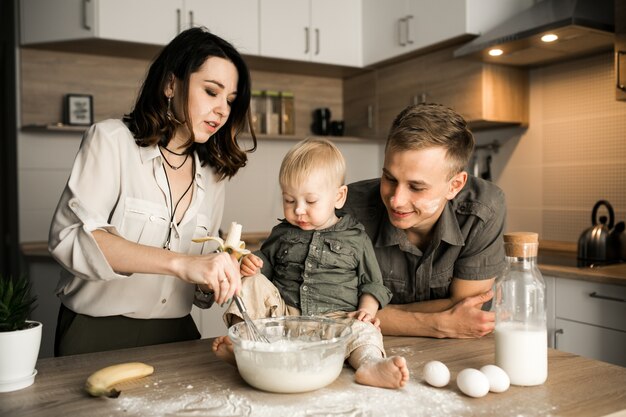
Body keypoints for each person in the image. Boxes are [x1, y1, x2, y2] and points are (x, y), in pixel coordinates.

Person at [48, 27, 255, 356]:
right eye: (211, 92)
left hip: (178, 333)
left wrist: (218, 271)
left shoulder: (213, 173)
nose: (223, 110)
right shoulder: (111, 141)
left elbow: (198, 279)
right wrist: (182, 263)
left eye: (230, 100)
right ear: (171, 84)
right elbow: (73, 237)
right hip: (95, 333)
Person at [213, 138, 410, 389]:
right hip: (284, 319)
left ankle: (370, 365)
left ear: (339, 197)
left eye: (311, 201)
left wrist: (367, 312)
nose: (299, 211)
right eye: (289, 200)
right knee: (251, 282)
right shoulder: (282, 233)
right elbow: (264, 265)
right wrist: (250, 264)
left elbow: (373, 283)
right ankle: (247, 350)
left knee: (365, 330)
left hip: (336, 323)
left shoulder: (356, 237)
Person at [341, 103, 506, 339]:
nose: (396, 200)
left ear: (455, 185)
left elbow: (470, 309)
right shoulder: (346, 210)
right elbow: (333, 313)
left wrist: (372, 312)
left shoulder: (484, 208)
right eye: (389, 178)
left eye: (416, 187)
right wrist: (437, 324)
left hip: (457, 355)